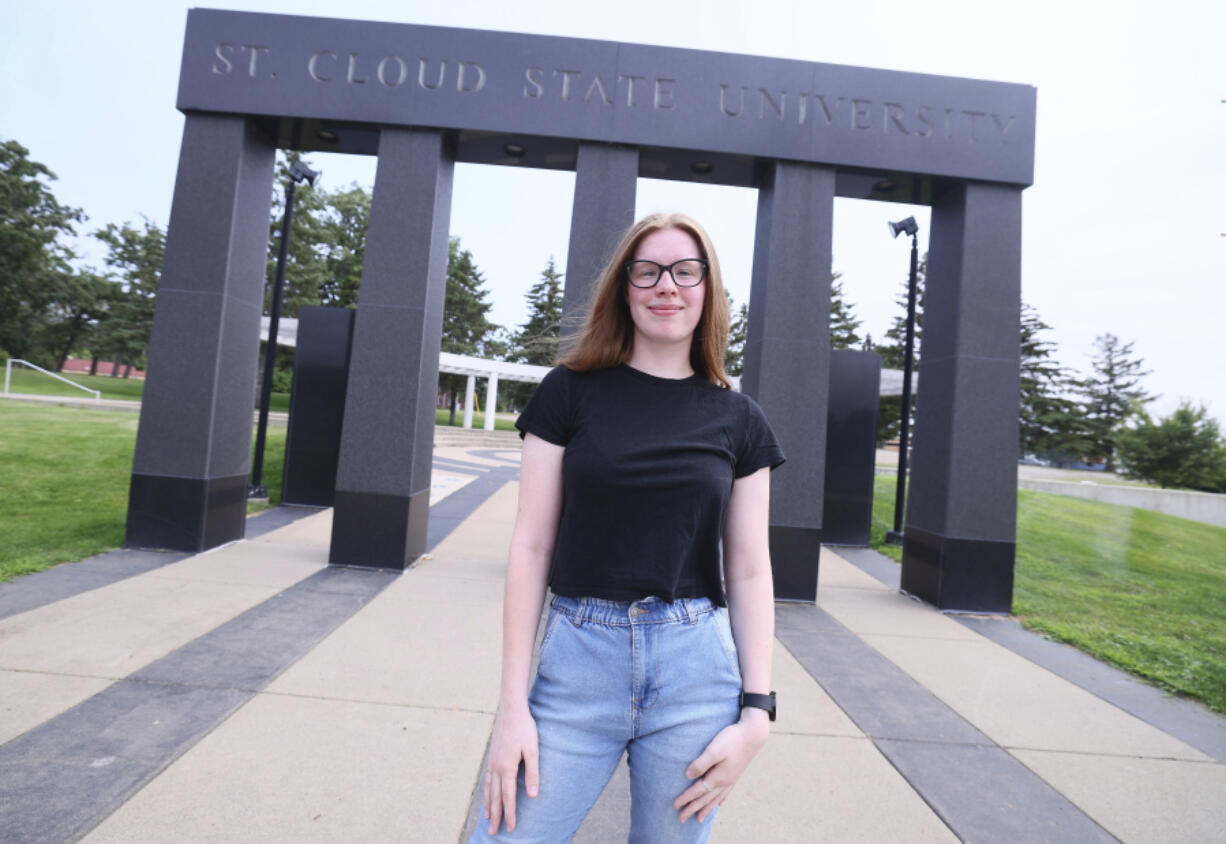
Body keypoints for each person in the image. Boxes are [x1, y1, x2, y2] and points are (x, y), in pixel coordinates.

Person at [472, 212, 784, 843]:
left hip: (696, 674)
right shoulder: (567, 393)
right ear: (625, 288)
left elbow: (749, 567)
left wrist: (758, 711)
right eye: (648, 271)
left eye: (685, 271)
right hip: (578, 666)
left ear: (707, 290)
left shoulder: (740, 419)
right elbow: (531, 547)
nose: (666, 285)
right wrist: (511, 708)